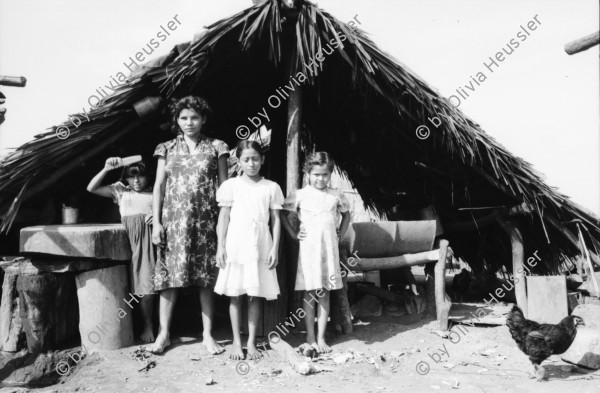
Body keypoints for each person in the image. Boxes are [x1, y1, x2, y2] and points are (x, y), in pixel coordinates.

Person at [150, 96, 229, 354]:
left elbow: (224, 188)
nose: (189, 122)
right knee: (169, 278)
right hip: (173, 222)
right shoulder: (166, 148)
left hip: (206, 222)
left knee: (206, 278)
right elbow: (159, 186)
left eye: (194, 117)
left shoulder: (217, 147)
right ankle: (164, 335)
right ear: (177, 121)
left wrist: (224, 225)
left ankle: (207, 335)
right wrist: (156, 224)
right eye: (183, 118)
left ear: (203, 119)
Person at [214, 140, 284, 360]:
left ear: (262, 160)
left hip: (261, 242)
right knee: (236, 296)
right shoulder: (231, 186)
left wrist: (275, 248)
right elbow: (223, 218)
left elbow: (276, 220)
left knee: (255, 295)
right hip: (236, 242)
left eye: (255, 158)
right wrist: (220, 246)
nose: (251, 163)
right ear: (239, 161)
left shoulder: (271, 187)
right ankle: (237, 342)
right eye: (246, 159)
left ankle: (251, 342)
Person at [281, 151, 351, 353]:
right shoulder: (300, 195)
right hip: (309, 251)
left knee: (325, 293)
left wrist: (340, 233)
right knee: (310, 293)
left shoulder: (336, 195)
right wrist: (294, 235)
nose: (320, 179)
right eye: (316, 174)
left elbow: (346, 216)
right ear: (308, 173)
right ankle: (310, 336)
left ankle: (321, 338)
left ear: (330, 175)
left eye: (325, 175)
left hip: (329, 250)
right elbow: (284, 214)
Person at [87, 157, 157, 342]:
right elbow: (91, 188)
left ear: (148, 177)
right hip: (127, 243)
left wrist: (157, 216)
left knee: (147, 286)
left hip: (148, 243)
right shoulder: (121, 191)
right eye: (132, 177)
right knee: (132, 286)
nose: (136, 181)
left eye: (141, 177)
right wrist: (105, 169)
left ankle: (149, 326)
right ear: (125, 178)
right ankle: (134, 326)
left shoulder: (155, 193)